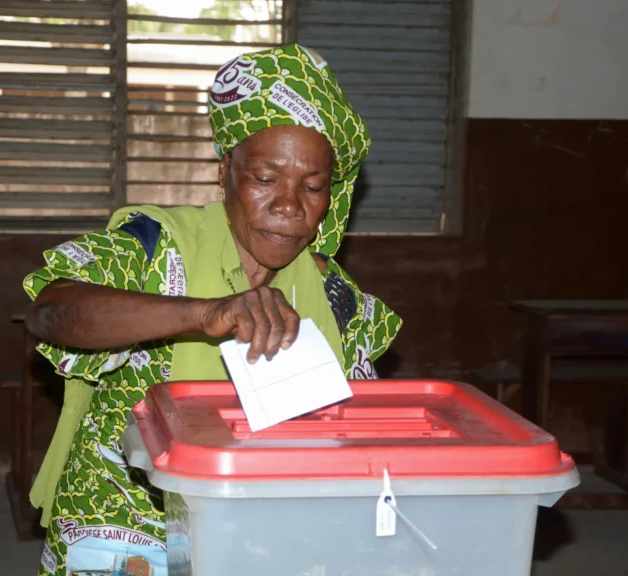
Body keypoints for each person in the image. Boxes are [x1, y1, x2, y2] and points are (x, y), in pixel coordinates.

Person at [23, 43, 402, 576]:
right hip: (128, 534)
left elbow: (360, 428)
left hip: (260, 534)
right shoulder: (156, 247)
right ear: (225, 171)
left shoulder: (332, 295)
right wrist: (205, 314)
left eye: (312, 187)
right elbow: (51, 311)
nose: (289, 206)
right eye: (265, 179)